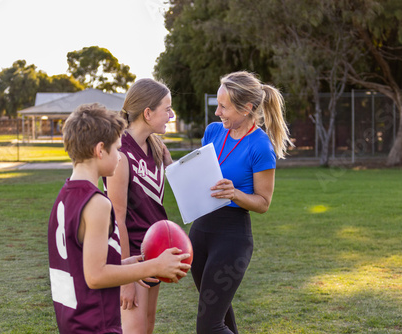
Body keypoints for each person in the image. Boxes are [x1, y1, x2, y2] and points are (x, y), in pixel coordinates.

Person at [48, 103, 190, 334]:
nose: (120, 157)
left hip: (73, 321)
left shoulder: (65, 195)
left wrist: (130, 264)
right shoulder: (97, 203)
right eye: (117, 149)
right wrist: (155, 266)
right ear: (100, 150)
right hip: (96, 324)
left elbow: (84, 267)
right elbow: (96, 276)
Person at [189, 71, 294, 334]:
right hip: (199, 234)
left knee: (209, 327)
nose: (217, 113)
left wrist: (235, 193)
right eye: (218, 105)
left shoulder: (260, 146)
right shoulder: (213, 132)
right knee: (220, 317)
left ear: (247, 108)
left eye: (223, 107)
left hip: (231, 238)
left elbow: (263, 203)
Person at [104, 78, 175, 334]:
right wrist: (125, 279)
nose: (171, 115)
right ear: (147, 113)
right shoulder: (121, 153)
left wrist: (170, 165)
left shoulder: (156, 147)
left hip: (153, 251)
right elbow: (117, 219)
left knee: (147, 328)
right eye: (166, 109)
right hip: (132, 255)